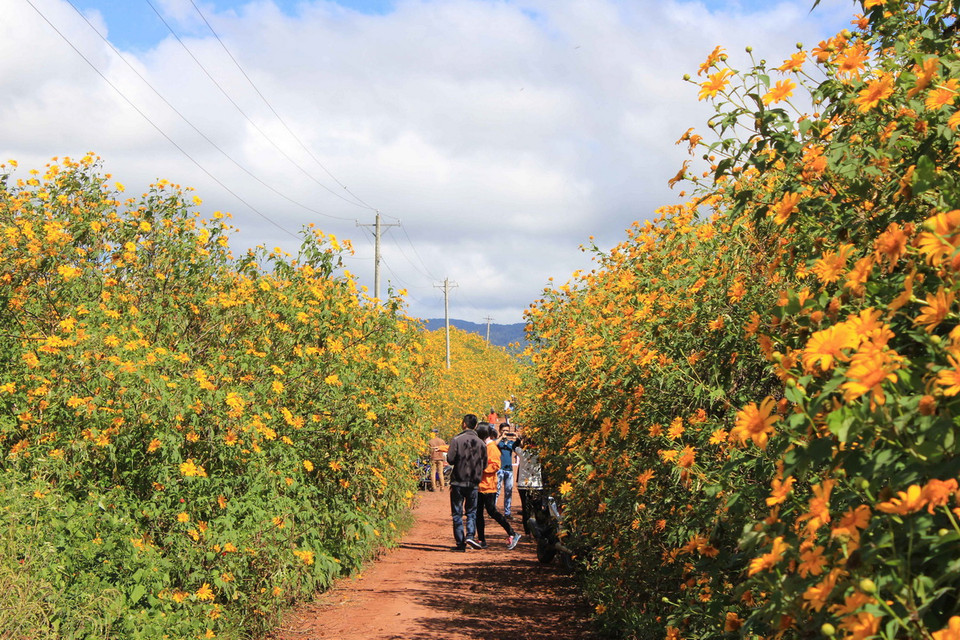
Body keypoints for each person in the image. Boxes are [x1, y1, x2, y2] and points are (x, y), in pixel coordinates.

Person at [475, 424, 521, 550]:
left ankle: (512, 533)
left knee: (492, 511)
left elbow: (495, 466)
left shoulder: (492, 448)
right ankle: (481, 539)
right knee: (478, 513)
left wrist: (480, 470)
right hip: (481, 486)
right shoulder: (485, 446)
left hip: (489, 486)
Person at [445, 413, 486, 551]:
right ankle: (470, 535)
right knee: (471, 512)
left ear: (464, 424)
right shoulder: (481, 443)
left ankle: (460, 544)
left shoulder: (457, 440)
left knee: (457, 513)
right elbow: (485, 464)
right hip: (473, 483)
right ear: (475, 426)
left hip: (458, 482)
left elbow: (450, 459)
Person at [515, 435, 543, 536]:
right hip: (537, 485)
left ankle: (527, 533)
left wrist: (520, 439)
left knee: (526, 509)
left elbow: (514, 446)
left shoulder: (522, 452)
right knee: (537, 509)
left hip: (523, 485)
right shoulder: (540, 452)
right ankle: (539, 533)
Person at [496, 423, 519, 517]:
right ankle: (492, 510)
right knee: (497, 490)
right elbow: (494, 444)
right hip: (499, 469)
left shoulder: (511, 443)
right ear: (500, 431)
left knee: (508, 491)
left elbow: (519, 447)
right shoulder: (497, 441)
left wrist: (517, 438)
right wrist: (501, 437)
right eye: (504, 430)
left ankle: (507, 512)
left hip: (509, 469)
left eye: (507, 431)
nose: (505, 432)